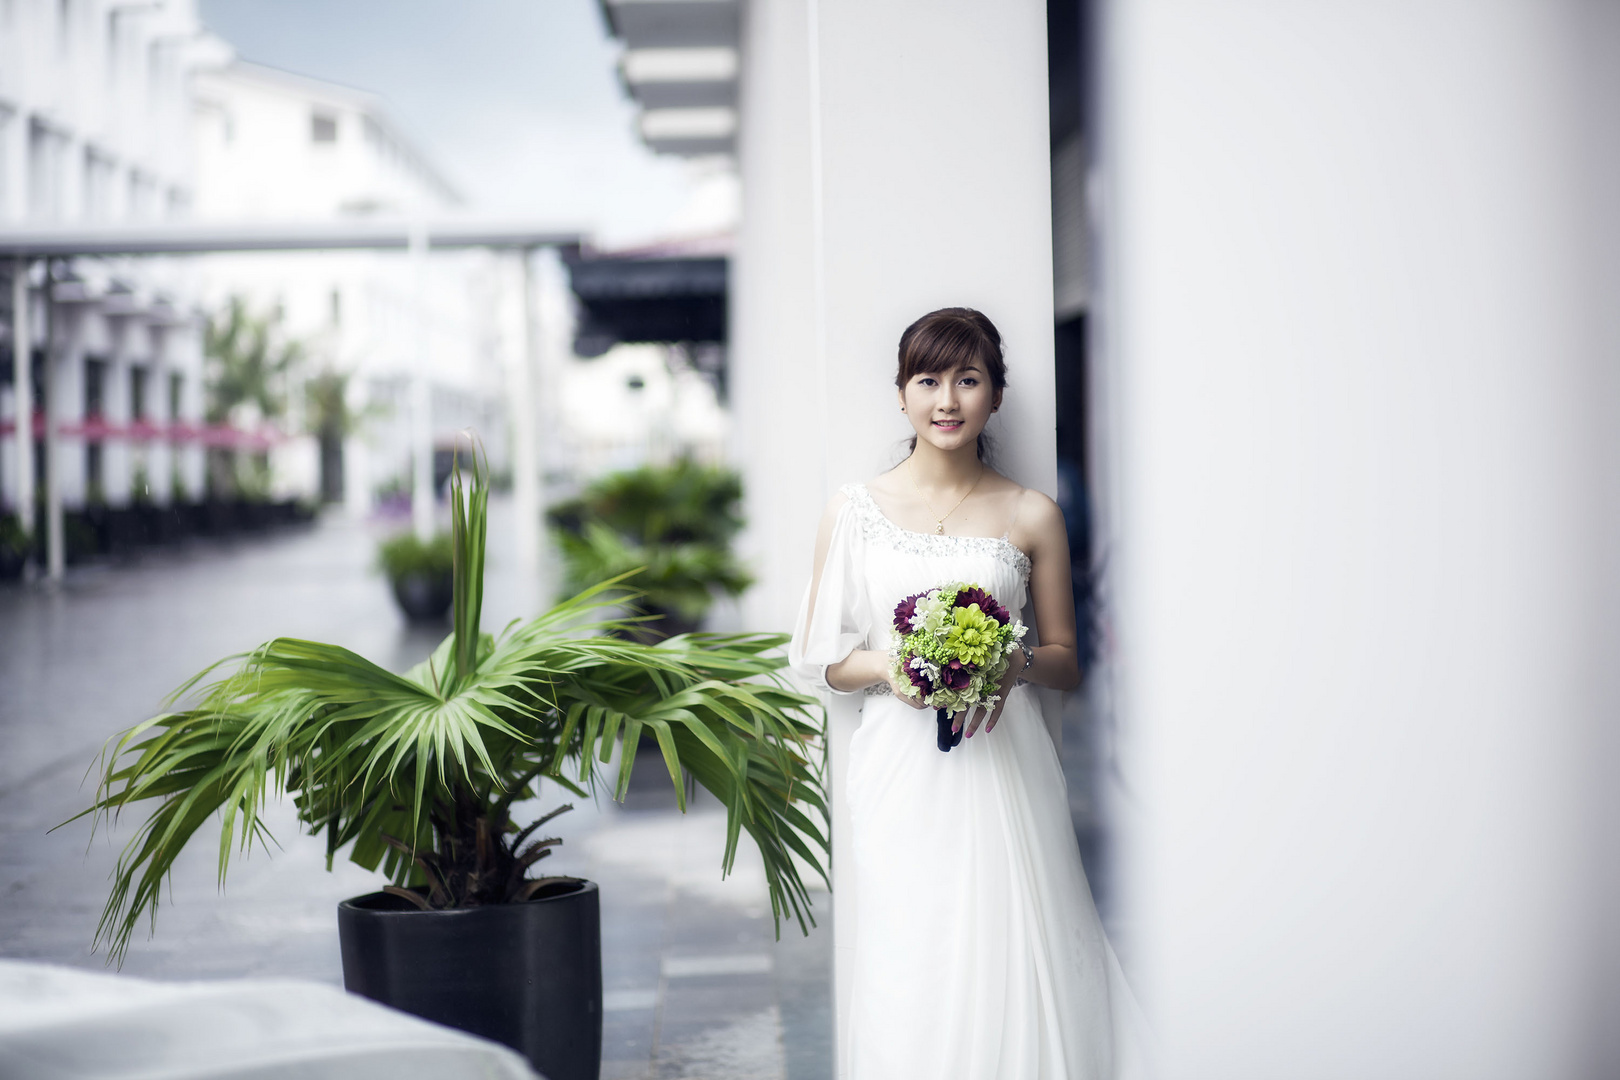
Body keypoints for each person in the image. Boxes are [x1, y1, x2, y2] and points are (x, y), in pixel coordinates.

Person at [790, 307, 1145, 1079]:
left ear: (995, 394)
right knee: (909, 956)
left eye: (968, 379)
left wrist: (1006, 665)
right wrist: (891, 668)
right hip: (899, 772)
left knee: (1013, 942)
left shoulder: (1030, 513)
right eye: (928, 380)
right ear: (901, 394)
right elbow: (819, 658)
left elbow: (1065, 660)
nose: (946, 399)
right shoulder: (854, 512)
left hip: (1005, 766)